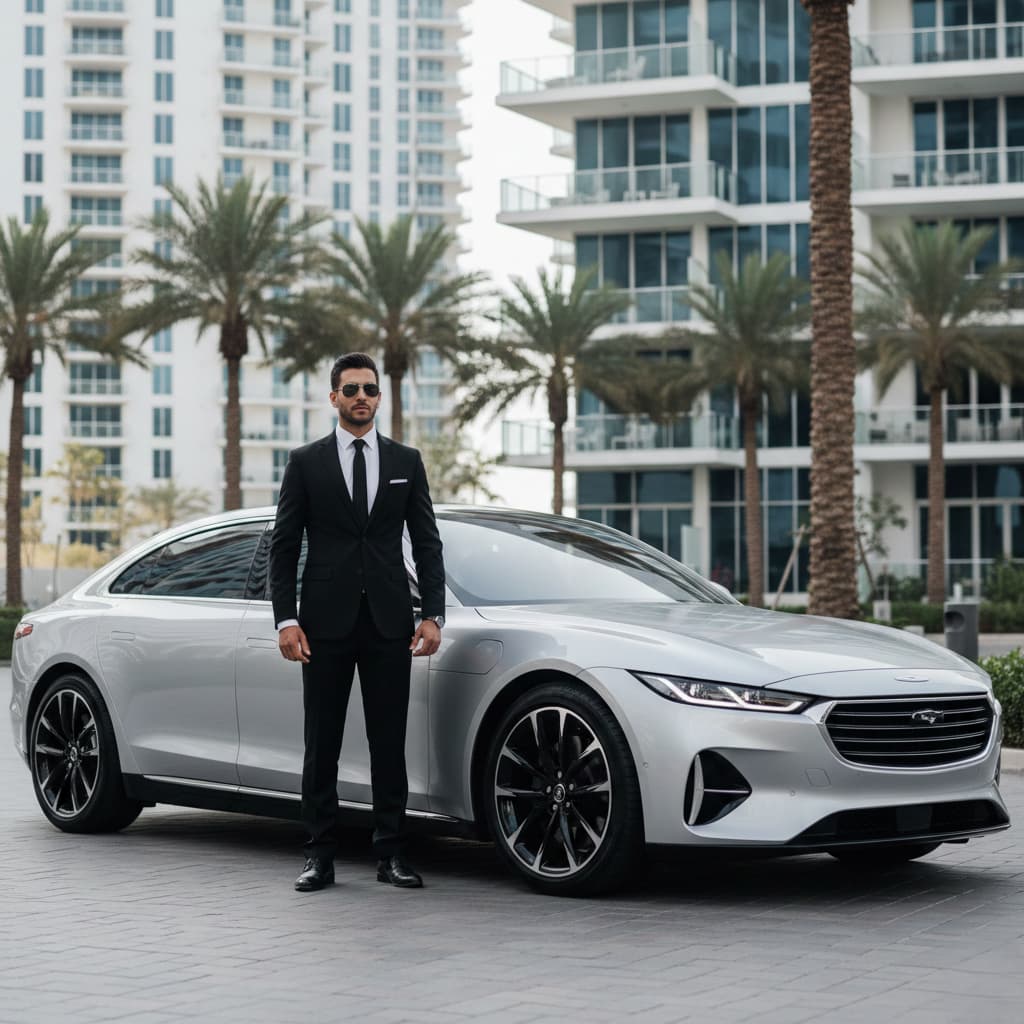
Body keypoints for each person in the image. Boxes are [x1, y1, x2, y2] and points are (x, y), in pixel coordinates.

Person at [269, 352, 446, 893]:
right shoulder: (305, 462)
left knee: (388, 743)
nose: (362, 396)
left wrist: (433, 613)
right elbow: (284, 546)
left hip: (390, 623)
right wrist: (286, 620)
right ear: (334, 398)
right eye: (351, 389)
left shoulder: (406, 461)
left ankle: (391, 853)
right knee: (320, 742)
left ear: (379, 396)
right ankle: (319, 855)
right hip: (323, 626)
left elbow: (427, 541)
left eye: (370, 388)